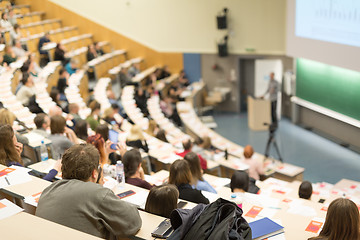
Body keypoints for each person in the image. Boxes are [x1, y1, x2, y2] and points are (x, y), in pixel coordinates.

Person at [36, 144, 142, 239]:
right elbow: (133, 223)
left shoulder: (48, 190)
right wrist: (100, 189)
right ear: (94, 173)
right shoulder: (98, 194)